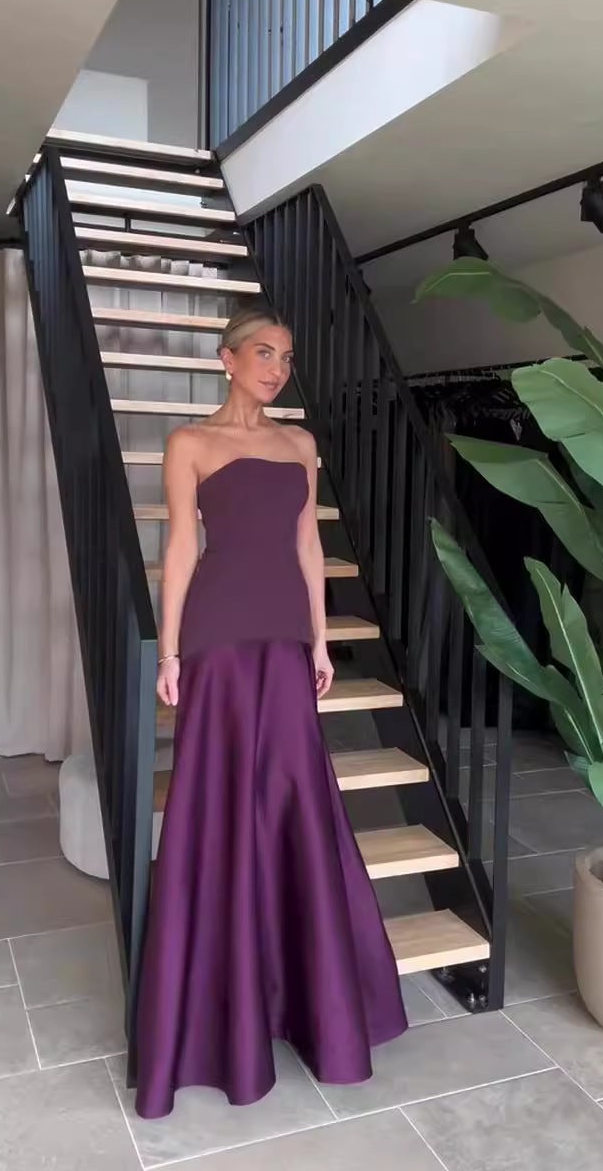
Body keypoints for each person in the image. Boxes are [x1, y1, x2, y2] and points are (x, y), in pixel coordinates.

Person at [132, 302, 408, 1120]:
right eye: (262, 353)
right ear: (227, 359)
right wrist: (170, 653)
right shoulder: (190, 443)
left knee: (295, 801)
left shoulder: (300, 445)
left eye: (285, 357)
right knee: (220, 807)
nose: (277, 368)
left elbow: (308, 547)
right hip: (217, 638)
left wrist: (321, 643)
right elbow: (181, 547)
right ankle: (218, 1008)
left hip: (286, 639)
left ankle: (306, 996)